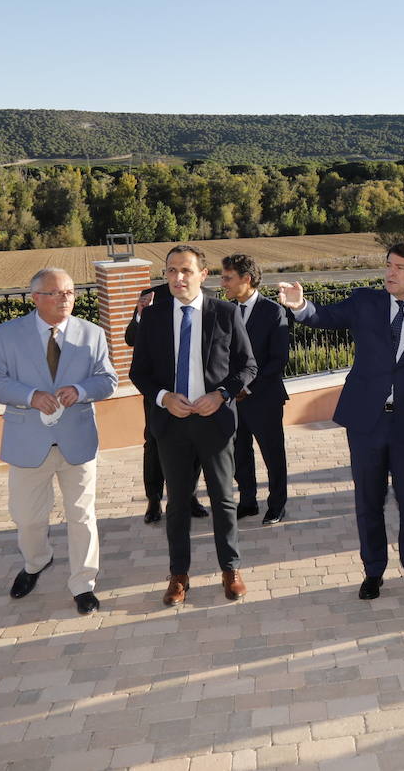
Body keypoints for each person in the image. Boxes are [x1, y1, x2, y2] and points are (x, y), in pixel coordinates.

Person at [277, 242, 404, 600]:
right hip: (367, 423)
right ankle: (373, 572)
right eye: (388, 265)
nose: (390, 273)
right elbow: (322, 316)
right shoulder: (364, 302)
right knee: (368, 502)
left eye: (400, 268)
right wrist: (298, 305)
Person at [0, 268, 118, 615]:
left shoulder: (92, 333)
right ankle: (36, 561)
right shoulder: (6, 335)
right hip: (28, 442)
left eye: (70, 293)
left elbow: (108, 380)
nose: (65, 299)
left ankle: (83, 584)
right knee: (27, 518)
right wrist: (30, 395)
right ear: (36, 297)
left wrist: (82, 390)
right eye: (56, 293)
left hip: (77, 440)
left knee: (82, 515)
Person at [129, 245, 259, 605]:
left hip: (214, 422)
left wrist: (220, 395)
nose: (177, 278)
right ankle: (179, 575)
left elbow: (248, 367)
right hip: (171, 425)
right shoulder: (152, 318)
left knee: (223, 499)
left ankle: (230, 569)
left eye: (185, 270)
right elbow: (138, 373)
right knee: (177, 506)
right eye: (171, 271)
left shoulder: (225, 313)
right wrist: (164, 398)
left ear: (203, 275)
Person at [125, 282, 207, 524]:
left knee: (194, 446)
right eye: (173, 268)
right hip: (158, 392)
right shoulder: (151, 296)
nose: (179, 274)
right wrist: (140, 316)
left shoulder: (209, 297)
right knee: (153, 445)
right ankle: (153, 500)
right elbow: (131, 339)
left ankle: (190, 497)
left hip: (195, 392)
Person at [220, 253, 291, 524]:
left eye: (228, 278)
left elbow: (278, 361)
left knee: (273, 455)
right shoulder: (226, 310)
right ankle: (248, 501)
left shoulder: (274, 312)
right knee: (240, 454)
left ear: (246, 279)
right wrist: (229, 389)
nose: (223, 283)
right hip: (232, 400)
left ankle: (277, 505)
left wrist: (247, 388)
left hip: (264, 398)